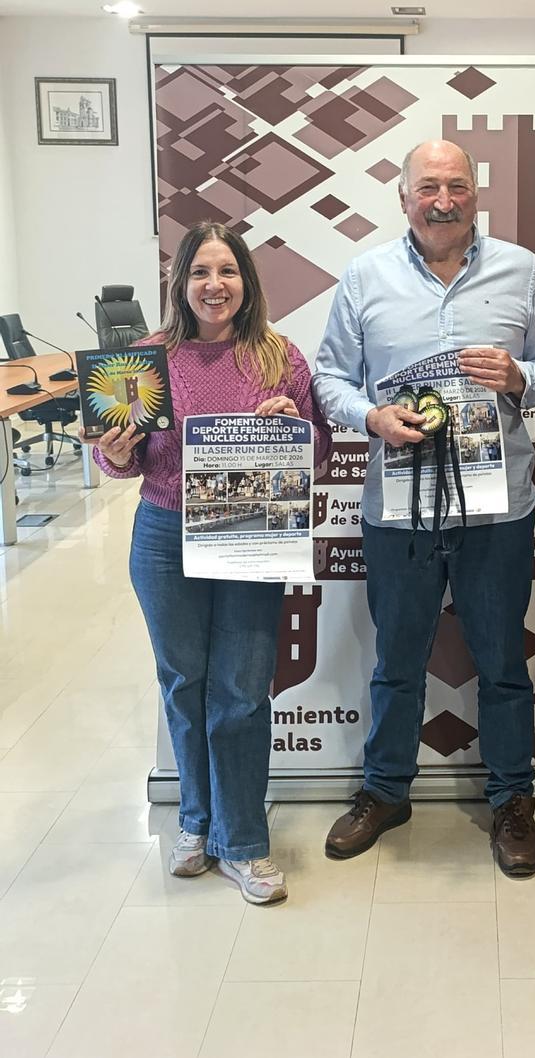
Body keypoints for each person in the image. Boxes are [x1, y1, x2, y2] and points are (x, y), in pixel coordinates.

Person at [313, 139, 535, 877]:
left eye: (456, 186)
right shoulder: (365, 277)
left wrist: (522, 375)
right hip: (401, 512)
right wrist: (371, 419)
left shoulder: (521, 269)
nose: (443, 200)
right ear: (403, 198)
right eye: (428, 187)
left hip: (498, 511)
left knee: (503, 664)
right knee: (396, 663)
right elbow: (330, 377)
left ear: (476, 195)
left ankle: (512, 799)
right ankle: (386, 791)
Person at [94, 220, 332, 906]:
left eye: (227, 271)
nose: (214, 285)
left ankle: (245, 842)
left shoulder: (277, 356)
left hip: (249, 531)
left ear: (246, 283)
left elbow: (317, 450)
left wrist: (296, 428)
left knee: (241, 688)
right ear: (181, 284)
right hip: (165, 534)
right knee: (184, 683)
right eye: (201, 272)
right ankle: (196, 825)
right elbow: (117, 460)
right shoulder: (145, 359)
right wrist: (112, 448)